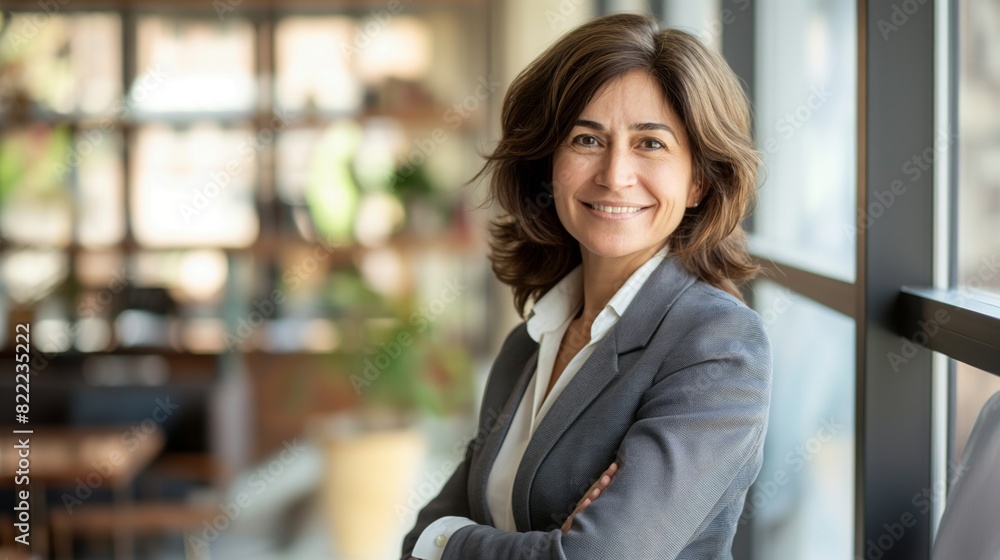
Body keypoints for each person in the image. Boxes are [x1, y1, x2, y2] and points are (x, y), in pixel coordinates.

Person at [400, 12, 771, 560]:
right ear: (548, 163)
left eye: (650, 144)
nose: (615, 174)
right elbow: (419, 534)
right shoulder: (529, 343)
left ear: (698, 181)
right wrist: (544, 545)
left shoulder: (717, 345)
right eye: (586, 138)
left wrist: (445, 542)